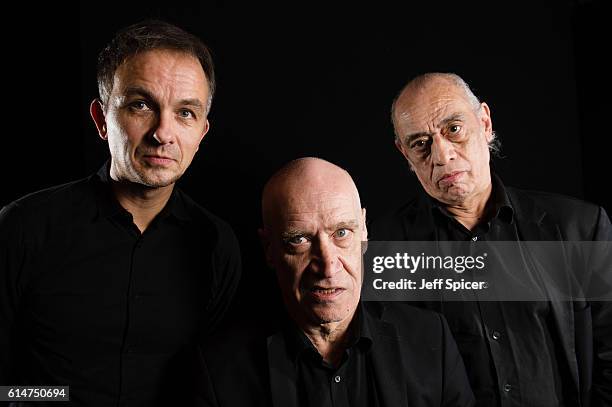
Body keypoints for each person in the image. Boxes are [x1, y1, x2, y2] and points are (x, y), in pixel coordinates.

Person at [0, 20, 241, 406]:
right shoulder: (23, 228)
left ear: (201, 133)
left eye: (185, 113)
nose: (163, 133)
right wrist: (52, 398)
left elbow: (214, 382)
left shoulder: (216, 245)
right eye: (141, 105)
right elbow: (4, 388)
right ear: (101, 120)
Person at [370, 72, 612, 406]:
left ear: (484, 123)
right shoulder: (384, 250)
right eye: (420, 144)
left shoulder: (579, 228)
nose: (441, 155)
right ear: (404, 154)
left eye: (453, 129)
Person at [197, 157, 475, 407]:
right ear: (269, 248)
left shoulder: (430, 341)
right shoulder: (218, 370)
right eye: (299, 240)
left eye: (342, 232)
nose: (328, 266)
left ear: (364, 231)